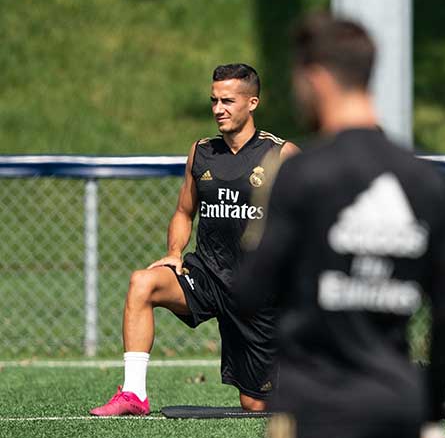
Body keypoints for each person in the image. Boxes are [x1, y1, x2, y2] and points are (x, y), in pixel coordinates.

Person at [233, 16, 445, 438]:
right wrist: (430, 425)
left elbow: (248, 289)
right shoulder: (427, 181)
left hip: (314, 411)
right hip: (396, 409)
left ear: (317, 79)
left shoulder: (304, 175)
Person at [90, 64, 299, 416]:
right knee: (143, 283)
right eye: (214, 100)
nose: (218, 109)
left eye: (228, 101)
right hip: (208, 276)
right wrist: (175, 252)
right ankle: (133, 394)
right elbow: (184, 212)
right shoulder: (201, 152)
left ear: (252, 103)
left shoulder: (282, 154)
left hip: (258, 291)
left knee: (256, 404)